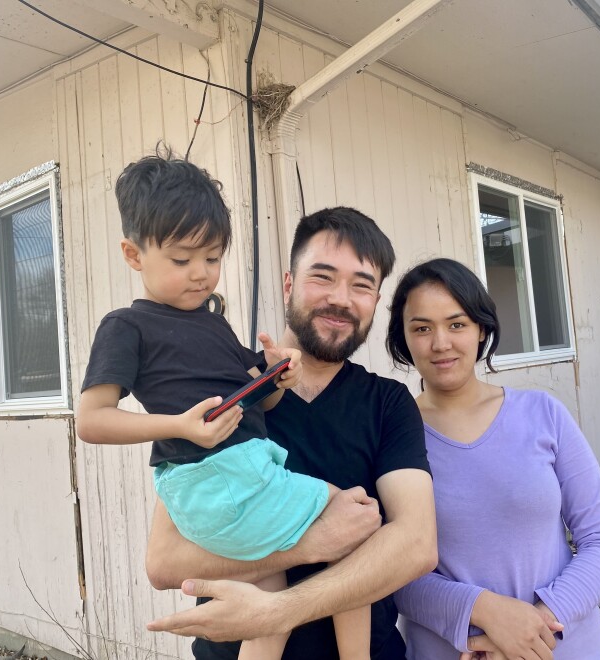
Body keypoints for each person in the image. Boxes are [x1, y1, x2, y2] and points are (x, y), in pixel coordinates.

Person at [75, 150, 378, 659]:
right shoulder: (126, 326)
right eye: (181, 259)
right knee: (356, 517)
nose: (201, 273)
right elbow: (91, 420)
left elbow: (261, 396)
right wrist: (181, 426)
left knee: (270, 589)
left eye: (212, 258)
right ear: (133, 255)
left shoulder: (212, 322)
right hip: (214, 477)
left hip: (243, 468)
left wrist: (280, 373)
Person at [144, 206, 438, 659]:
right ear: (288, 284)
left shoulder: (388, 403)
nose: (341, 299)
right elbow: (164, 561)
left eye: (361, 285)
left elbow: (416, 544)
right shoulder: (221, 387)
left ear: (375, 302)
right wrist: (314, 543)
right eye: (322, 276)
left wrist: (279, 611)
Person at [385, 258, 600, 660]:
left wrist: (532, 628)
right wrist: (487, 614)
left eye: (457, 324)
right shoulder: (392, 435)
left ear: (481, 328)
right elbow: (390, 573)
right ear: (405, 338)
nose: (441, 343)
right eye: (422, 328)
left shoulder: (543, 413)